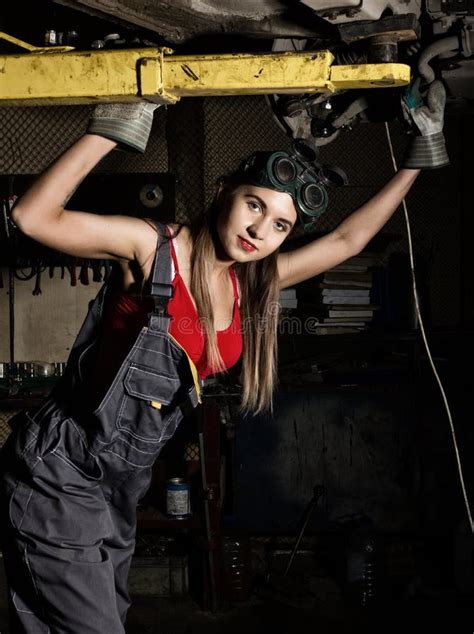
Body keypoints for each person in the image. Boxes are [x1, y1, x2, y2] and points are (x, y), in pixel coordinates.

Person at [0, 80, 447, 632]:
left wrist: (418, 157)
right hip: (62, 471)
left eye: (280, 224)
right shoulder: (152, 248)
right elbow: (32, 217)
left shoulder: (249, 287)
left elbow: (346, 243)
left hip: (120, 484)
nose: (260, 231)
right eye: (254, 205)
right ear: (225, 191)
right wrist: (111, 128)